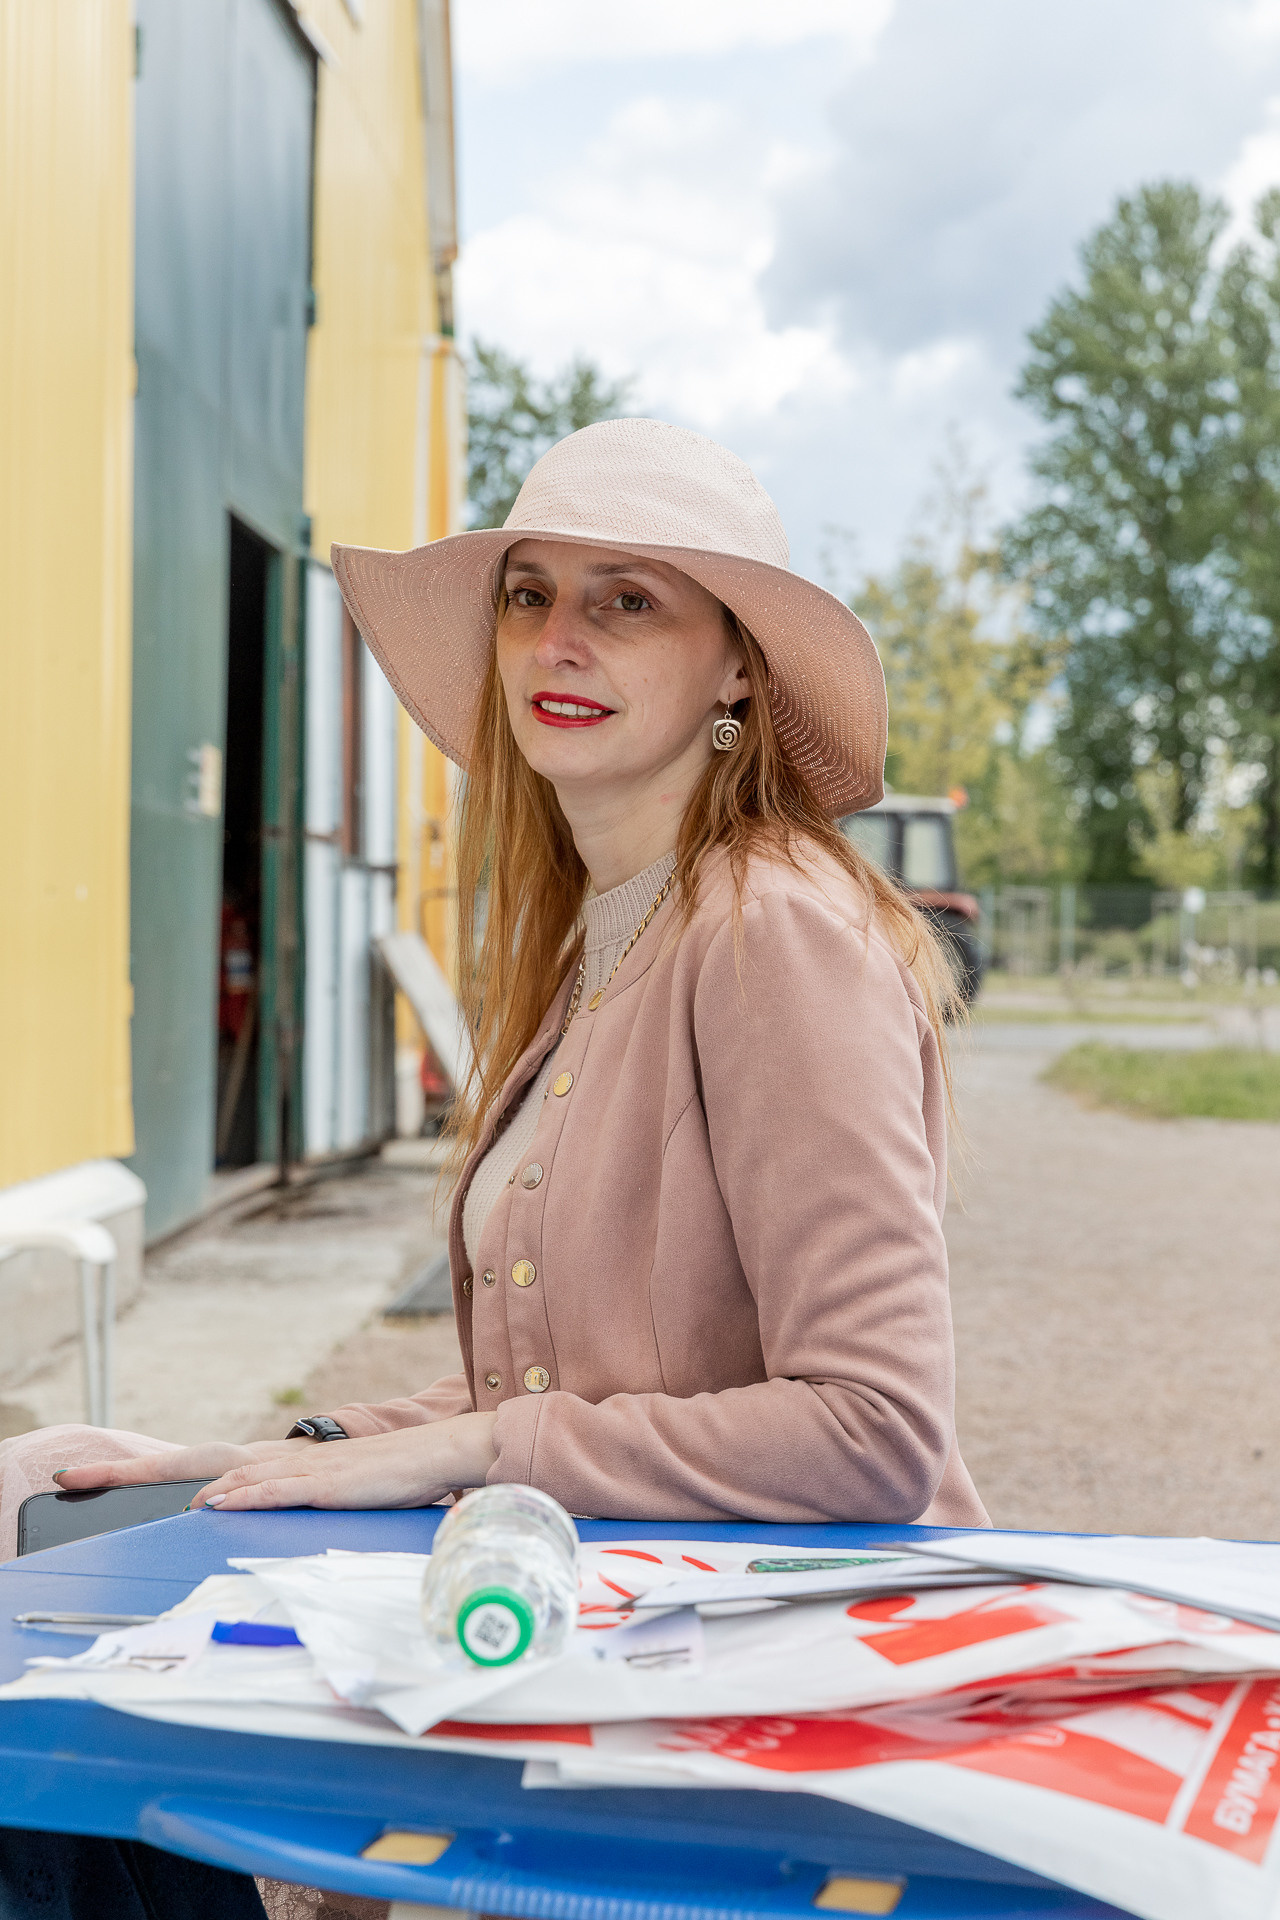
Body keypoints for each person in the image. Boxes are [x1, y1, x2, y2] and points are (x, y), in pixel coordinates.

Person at [0, 418, 987, 1917]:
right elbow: (571, 1375)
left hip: (762, 1666)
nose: (559, 638)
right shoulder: (609, 936)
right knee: (43, 1517)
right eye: (530, 594)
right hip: (590, 1589)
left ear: (738, 669)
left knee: (46, 1691)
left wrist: (468, 1456)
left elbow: (874, 1429)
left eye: (627, 598)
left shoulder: (772, 927)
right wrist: (258, 1459)